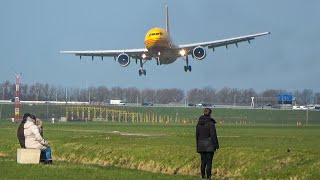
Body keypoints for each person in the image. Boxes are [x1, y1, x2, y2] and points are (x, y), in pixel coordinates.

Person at [196, 108, 219, 180]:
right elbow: (213, 135)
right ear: (210, 114)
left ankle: (203, 176)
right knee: (209, 162)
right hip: (209, 145)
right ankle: (208, 177)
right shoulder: (211, 124)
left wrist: (198, 145)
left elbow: (197, 135)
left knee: (203, 162)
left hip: (201, 145)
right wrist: (216, 145)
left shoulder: (199, 123)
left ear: (203, 113)